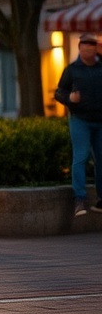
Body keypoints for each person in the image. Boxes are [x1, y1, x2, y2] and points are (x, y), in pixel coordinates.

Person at [55, 33, 102, 217]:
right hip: (80, 119)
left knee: (101, 159)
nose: (88, 49)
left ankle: (100, 199)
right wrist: (69, 99)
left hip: (100, 120)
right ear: (79, 49)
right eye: (84, 46)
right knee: (81, 157)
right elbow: (59, 92)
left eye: (91, 46)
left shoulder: (100, 68)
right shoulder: (72, 70)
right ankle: (79, 199)